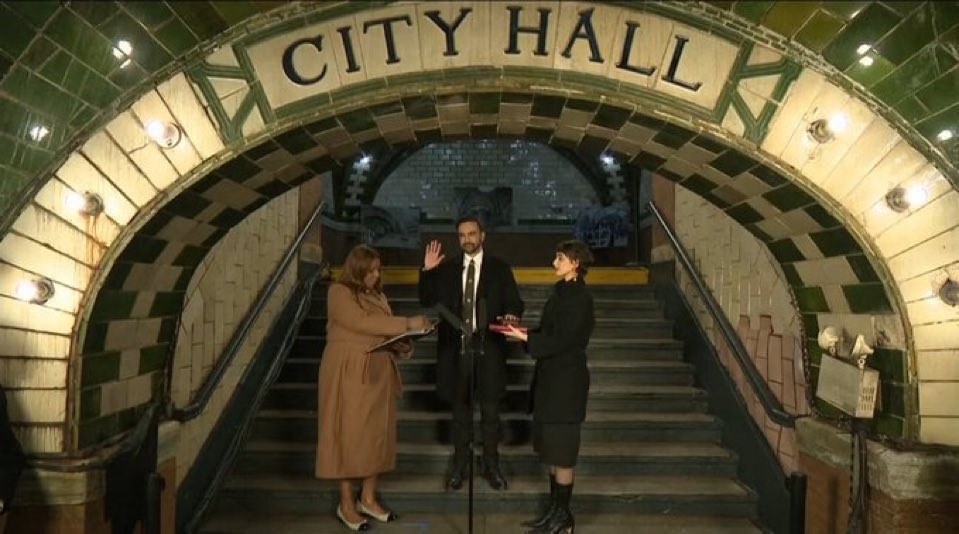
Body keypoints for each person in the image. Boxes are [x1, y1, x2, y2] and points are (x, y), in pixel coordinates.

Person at [316, 244, 432, 531]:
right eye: (370, 270)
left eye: (378, 269)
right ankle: (346, 504)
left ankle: (368, 497)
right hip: (349, 371)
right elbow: (360, 322)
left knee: (376, 435)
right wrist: (406, 322)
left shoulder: (378, 295)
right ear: (356, 269)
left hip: (378, 372)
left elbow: (382, 331)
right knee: (346, 434)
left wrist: (402, 344)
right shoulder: (339, 292)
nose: (376, 275)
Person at [418, 216, 524, 491]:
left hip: (489, 350)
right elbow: (427, 300)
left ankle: (492, 465)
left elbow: (514, 301)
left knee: (490, 415)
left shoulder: (500, 268)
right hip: (456, 352)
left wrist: (512, 314)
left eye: (472, 233)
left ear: (483, 235)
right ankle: (460, 466)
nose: (467, 239)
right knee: (461, 415)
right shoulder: (448, 268)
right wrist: (428, 271)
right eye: (462, 235)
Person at [501, 240, 595, 534]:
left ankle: (564, 518)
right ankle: (555, 513)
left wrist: (528, 339)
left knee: (563, 453)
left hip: (566, 385)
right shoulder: (562, 293)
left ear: (575, 263)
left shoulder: (580, 298)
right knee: (553, 451)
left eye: (560, 258)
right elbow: (549, 332)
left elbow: (562, 341)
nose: (554, 262)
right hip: (552, 382)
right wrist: (522, 332)